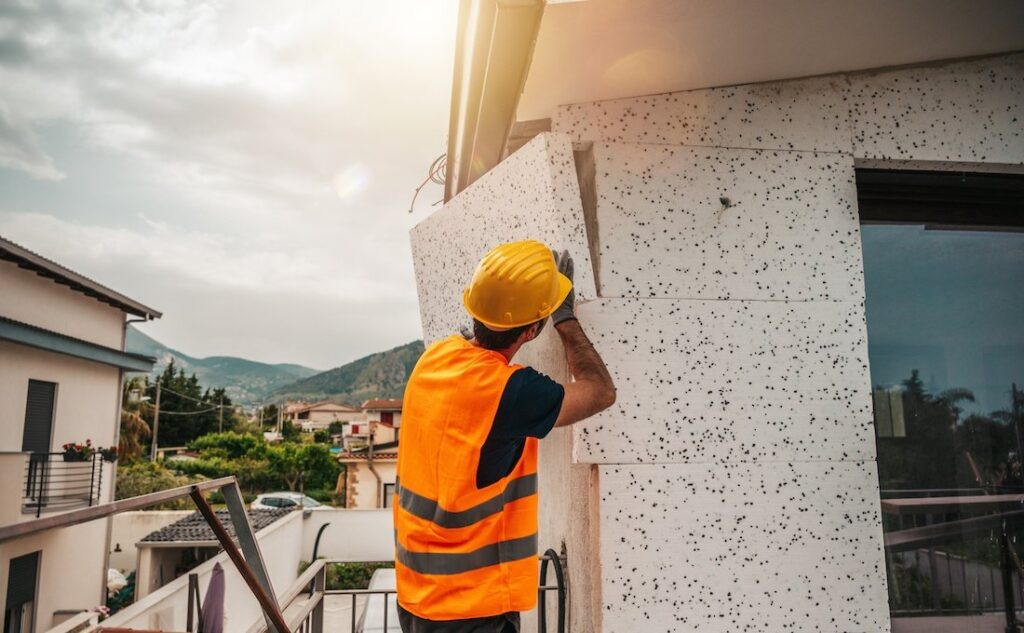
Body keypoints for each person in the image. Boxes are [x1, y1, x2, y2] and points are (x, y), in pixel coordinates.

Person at [394, 239, 616, 633]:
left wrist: (531, 292)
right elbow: (601, 391)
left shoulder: (436, 357)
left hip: (417, 596)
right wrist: (565, 318)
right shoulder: (511, 393)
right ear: (532, 330)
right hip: (470, 609)